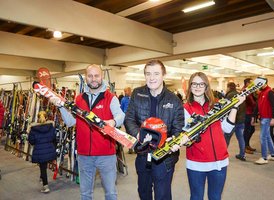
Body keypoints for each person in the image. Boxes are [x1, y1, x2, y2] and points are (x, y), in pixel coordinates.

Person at [52, 64, 125, 200]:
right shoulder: (79, 99)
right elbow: (71, 122)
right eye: (90, 76)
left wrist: (113, 122)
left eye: (96, 75)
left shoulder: (110, 97)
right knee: (85, 194)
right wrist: (60, 107)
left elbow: (121, 116)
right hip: (84, 155)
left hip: (106, 155)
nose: (93, 79)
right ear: (86, 77)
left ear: (101, 76)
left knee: (110, 193)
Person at [124, 59, 184, 200]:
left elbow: (178, 129)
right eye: (148, 74)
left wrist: (173, 140)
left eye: (156, 73)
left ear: (163, 75)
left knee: (162, 195)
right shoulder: (137, 94)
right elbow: (129, 119)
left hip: (165, 157)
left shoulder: (174, 100)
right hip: (143, 153)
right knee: (144, 192)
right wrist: (138, 134)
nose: (152, 78)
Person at [180, 72, 245, 200]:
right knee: (196, 197)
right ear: (190, 86)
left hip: (219, 161)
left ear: (206, 86)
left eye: (201, 84)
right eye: (194, 83)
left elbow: (227, 128)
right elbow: (187, 136)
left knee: (215, 197)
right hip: (196, 162)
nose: (197, 87)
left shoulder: (216, 105)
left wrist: (235, 107)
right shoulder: (185, 108)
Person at [28, 111, 56, 193]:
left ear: (38, 118)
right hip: (49, 150)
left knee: (43, 168)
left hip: (40, 151)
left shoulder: (33, 129)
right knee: (44, 166)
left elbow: (31, 141)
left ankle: (46, 186)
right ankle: (42, 177)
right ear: (46, 117)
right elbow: (54, 138)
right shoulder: (51, 127)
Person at [252, 78, 274, 165]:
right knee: (267, 136)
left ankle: (264, 157)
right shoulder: (261, 92)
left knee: (263, 137)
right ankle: (273, 155)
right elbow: (257, 105)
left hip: (267, 118)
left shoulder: (270, 92)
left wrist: (273, 118)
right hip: (263, 117)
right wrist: (253, 116)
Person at [224, 82, 246, 161]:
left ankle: (223, 154)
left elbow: (225, 109)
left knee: (226, 138)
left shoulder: (229, 95)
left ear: (229, 87)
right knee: (241, 138)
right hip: (241, 120)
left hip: (232, 121)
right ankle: (242, 154)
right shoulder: (239, 95)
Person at [243, 78, 257, 154]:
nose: (253, 84)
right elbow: (252, 102)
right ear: (247, 83)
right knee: (247, 131)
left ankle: (247, 145)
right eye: (251, 83)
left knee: (251, 130)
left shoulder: (250, 90)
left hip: (250, 112)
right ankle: (245, 147)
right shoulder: (246, 91)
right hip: (247, 113)